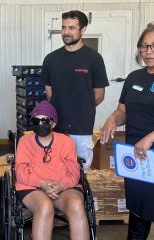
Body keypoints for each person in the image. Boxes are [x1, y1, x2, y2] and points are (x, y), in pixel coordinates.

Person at [100, 21, 154, 239]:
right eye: (143, 46)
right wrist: (113, 118)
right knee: (138, 208)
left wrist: (151, 137)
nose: (148, 52)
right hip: (136, 155)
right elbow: (123, 110)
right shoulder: (134, 78)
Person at [41, 10, 109, 172]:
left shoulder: (94, 59)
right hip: (57, 127)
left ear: (83, 29)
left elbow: (99, 95)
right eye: (64, 28)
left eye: (72, 28)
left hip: (82, 128)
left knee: (79, 173)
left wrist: (81, 109)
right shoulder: (51, 59)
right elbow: (49, 93)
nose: (66, 32)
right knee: (56, 171)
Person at [15, 100, 89, 240]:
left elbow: (74, 173)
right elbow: (20, 172)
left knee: (76, 205)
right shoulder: (25, 141)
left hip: (63, 187)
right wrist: (42, 184)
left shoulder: (66, 142)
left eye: (45, 120)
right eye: (36, 121)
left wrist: (61, 185)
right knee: (44, 206)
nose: (40, 124)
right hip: (32, 188)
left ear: (53, 123)